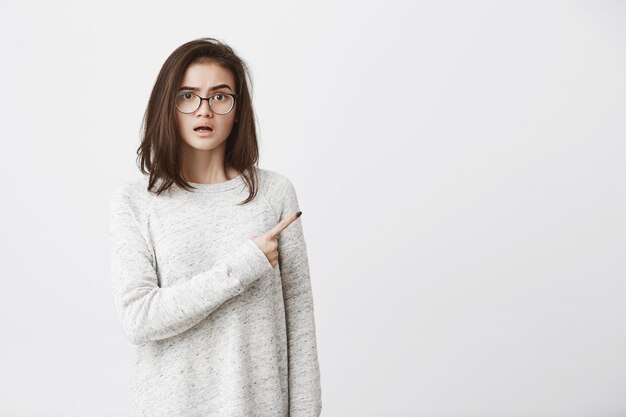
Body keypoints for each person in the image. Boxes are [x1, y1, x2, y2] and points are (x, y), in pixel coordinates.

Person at [108, 37, 322, 417]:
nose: (203, 110)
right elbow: (139, 319)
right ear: (168, 107)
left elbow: (300, 330)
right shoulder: (136, 201)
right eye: (187, 96)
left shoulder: (274, 194)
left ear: (238, 110)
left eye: (220, 96)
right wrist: (243, 266)